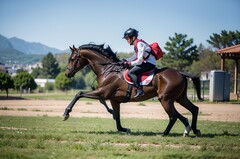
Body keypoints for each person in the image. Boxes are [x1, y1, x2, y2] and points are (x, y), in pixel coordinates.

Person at [122, 28, 156, 98]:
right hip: (147, 62)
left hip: (150, 63)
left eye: (127, 38)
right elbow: (135, 56)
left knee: (131, 72)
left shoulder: (139, 44)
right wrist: (125, 60)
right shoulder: (137, 44)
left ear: (133, 37)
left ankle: (139, 90)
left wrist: (129, 63)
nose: (127, 40)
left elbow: (139, 61)